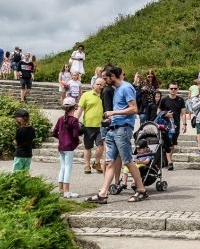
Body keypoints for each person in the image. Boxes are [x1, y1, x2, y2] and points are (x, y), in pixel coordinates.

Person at [86, 65, 148, 204]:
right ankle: (103, 193)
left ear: (112, 77)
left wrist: (113, 113)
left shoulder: (126, 88)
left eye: (105, 78)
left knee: (127, 160)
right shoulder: (116, 89)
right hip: (113, 129)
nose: (103, 81)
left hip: (123, 129)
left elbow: (134, 109)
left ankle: (141, 190)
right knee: (109, 162)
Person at [53, 97, 82, 198]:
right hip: (69, 147)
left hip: (61, 146)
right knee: (68, 168)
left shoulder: (60, 119)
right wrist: (78, 140)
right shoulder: (74, 120)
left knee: (62, 168)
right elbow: (75, 134)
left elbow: (54, 132)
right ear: (74, 107)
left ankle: (60, 189)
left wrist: (61, 138)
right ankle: (67, 191)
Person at [76, 77, 105, 174]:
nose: (99, 86)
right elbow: (79, 109)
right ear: (93, 85)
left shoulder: (105, 96)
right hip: (88, 125)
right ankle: (87, 165)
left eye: (101, 85)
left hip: (101, 126)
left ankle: (97, 163)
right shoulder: (86, 95)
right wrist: (75, 121)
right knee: (88, 147)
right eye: (98, 84)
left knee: (100, 146)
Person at [159, 82, 187, 170]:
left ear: (178, 89)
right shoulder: (164, 100)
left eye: (175, 88)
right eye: (171, 88)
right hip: (166, 125)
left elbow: (183, 113)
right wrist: (165, 114)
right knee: (169, 142)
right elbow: (158, 112)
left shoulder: (180, 100)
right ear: (169, 89)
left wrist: (184, 124)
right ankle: (170, 161)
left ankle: (168, 160)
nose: (173, 90)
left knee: (173, 143)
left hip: (176, 125)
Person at [12, 109, 35, 173]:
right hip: (28, 154)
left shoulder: (20, 130)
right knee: (25, 174)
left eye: (15, 118)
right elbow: (32, 139)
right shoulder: (32, 129)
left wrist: (14, 142)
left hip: (19, 154)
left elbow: (16, 142)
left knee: (16, 173)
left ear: (19, 119)